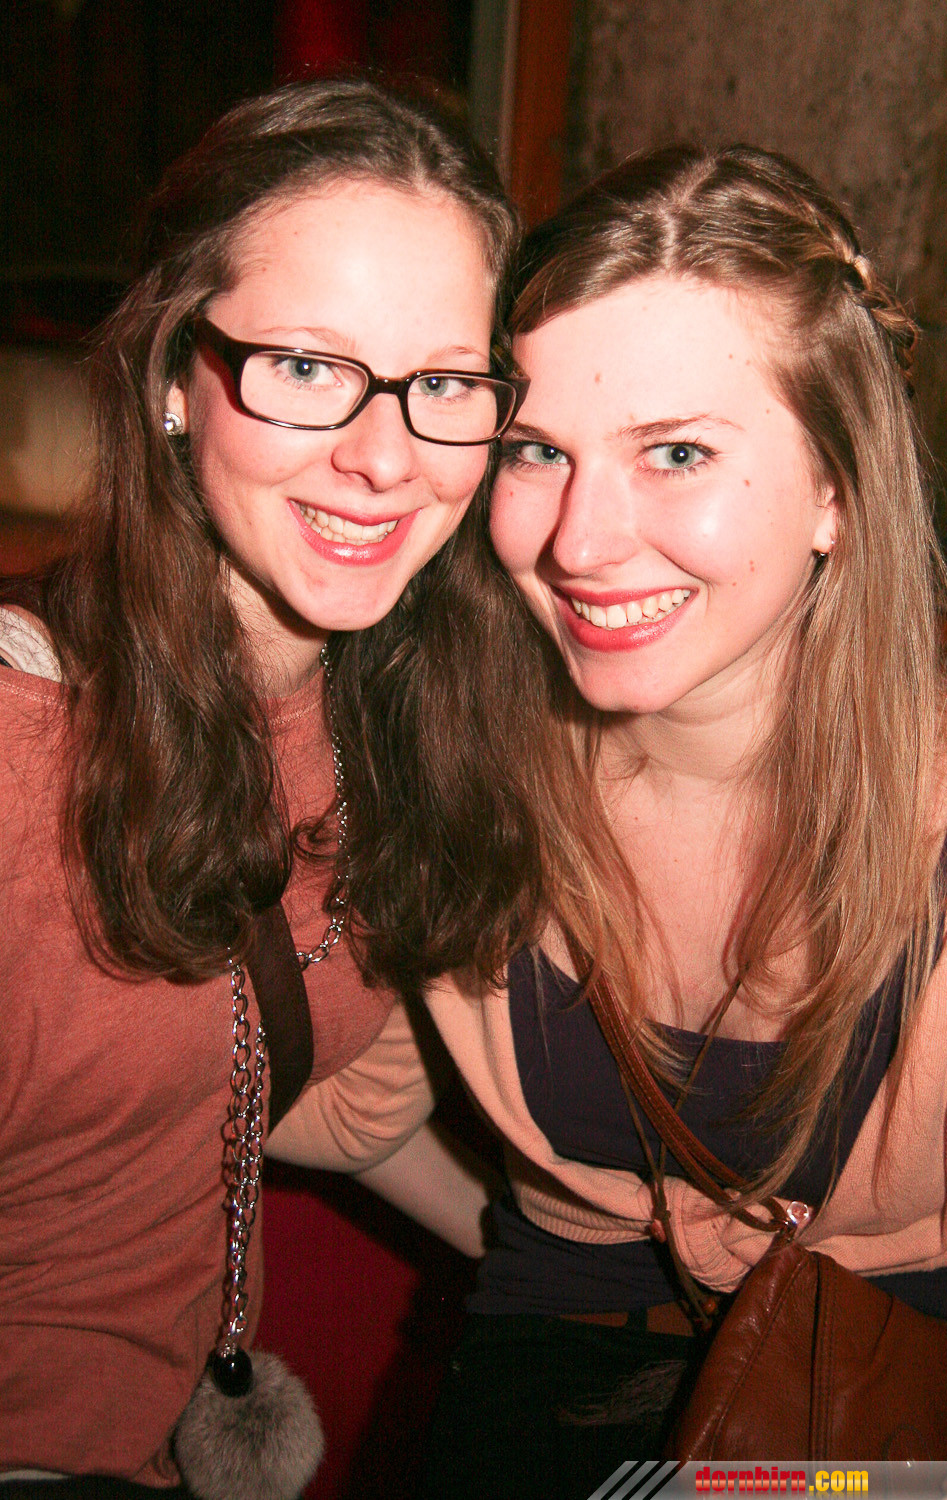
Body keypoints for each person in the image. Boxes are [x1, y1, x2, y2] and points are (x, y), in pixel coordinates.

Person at [270, 144, 947, 1495]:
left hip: (885, 1430)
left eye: (676, 452)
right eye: (537, 452)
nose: (580, 540)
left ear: (838, 489)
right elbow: (347, 1107)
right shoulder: (461, 773)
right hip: (540, 1399)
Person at [0, 76, 523, 1494]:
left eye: (443, 384)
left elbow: (256, 1080)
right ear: (173, 380)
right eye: (304, 366)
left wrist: (592, 1282)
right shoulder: (26, 747)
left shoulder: (393, 708)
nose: (384, 457)